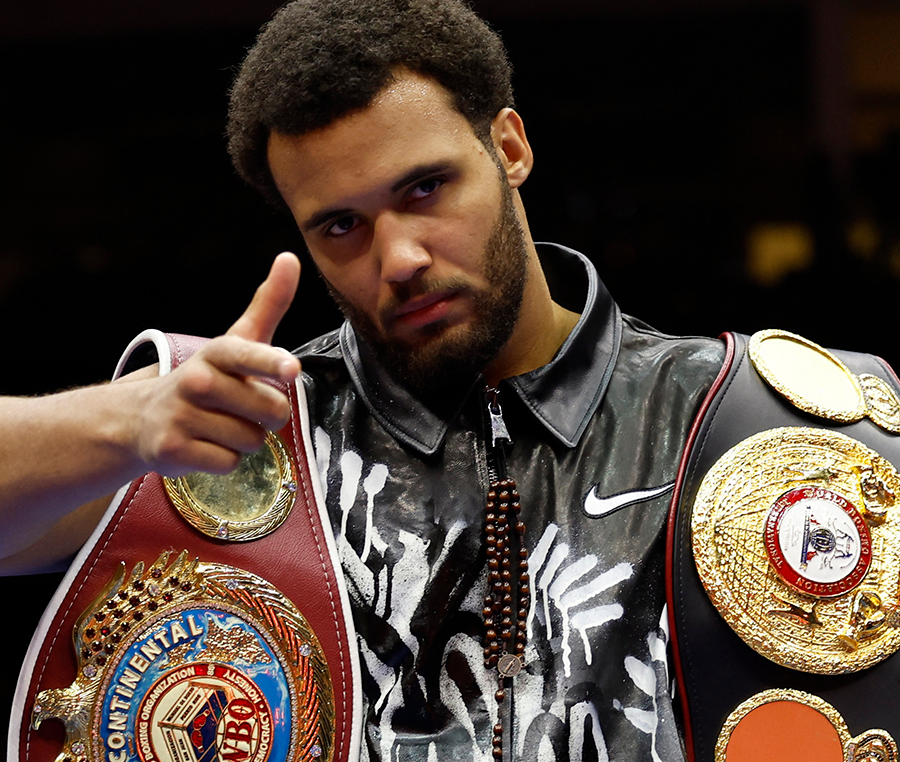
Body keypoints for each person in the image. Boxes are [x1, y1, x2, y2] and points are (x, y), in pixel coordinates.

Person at [3, 0, 726, 759]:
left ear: (509, 148)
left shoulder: (714, 410)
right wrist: (127, 426)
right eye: (341, 225)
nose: (401, 258)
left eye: (425, 188)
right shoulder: (251, 432)